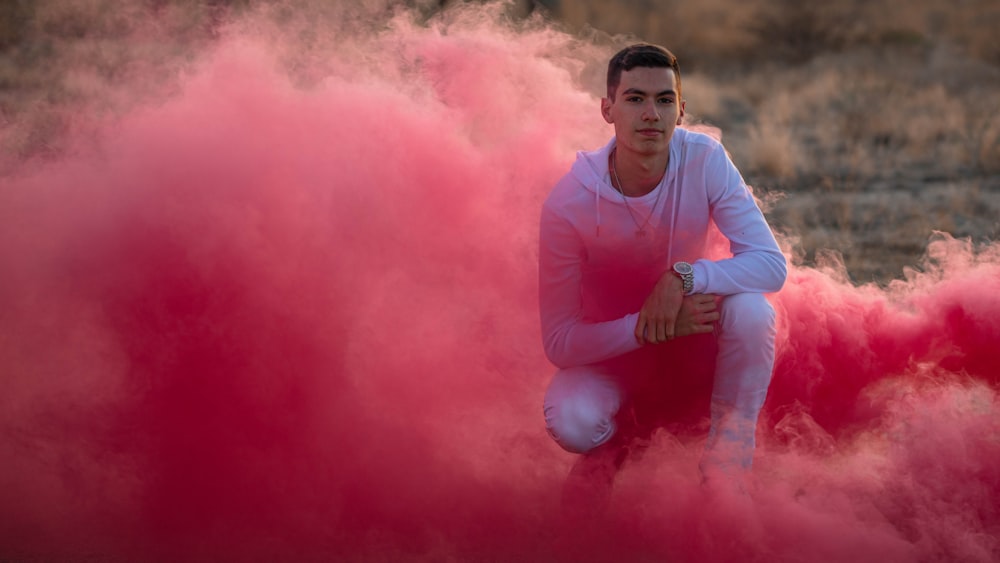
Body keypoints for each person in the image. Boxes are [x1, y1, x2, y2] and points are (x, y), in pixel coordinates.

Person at [538, 43, 787, 501]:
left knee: (753, 312)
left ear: (681, 110)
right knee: (573, 421)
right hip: (611, 359)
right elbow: (560, 342)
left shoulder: (706, 159)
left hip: (692, 345)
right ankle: (615, 446)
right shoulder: (569, 204)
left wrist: (683, 277)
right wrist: (649, 328)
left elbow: (770, 265)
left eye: (664, 100)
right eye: (634, 98)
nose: (651, 113)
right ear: (607, 109)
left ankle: (726, 473)